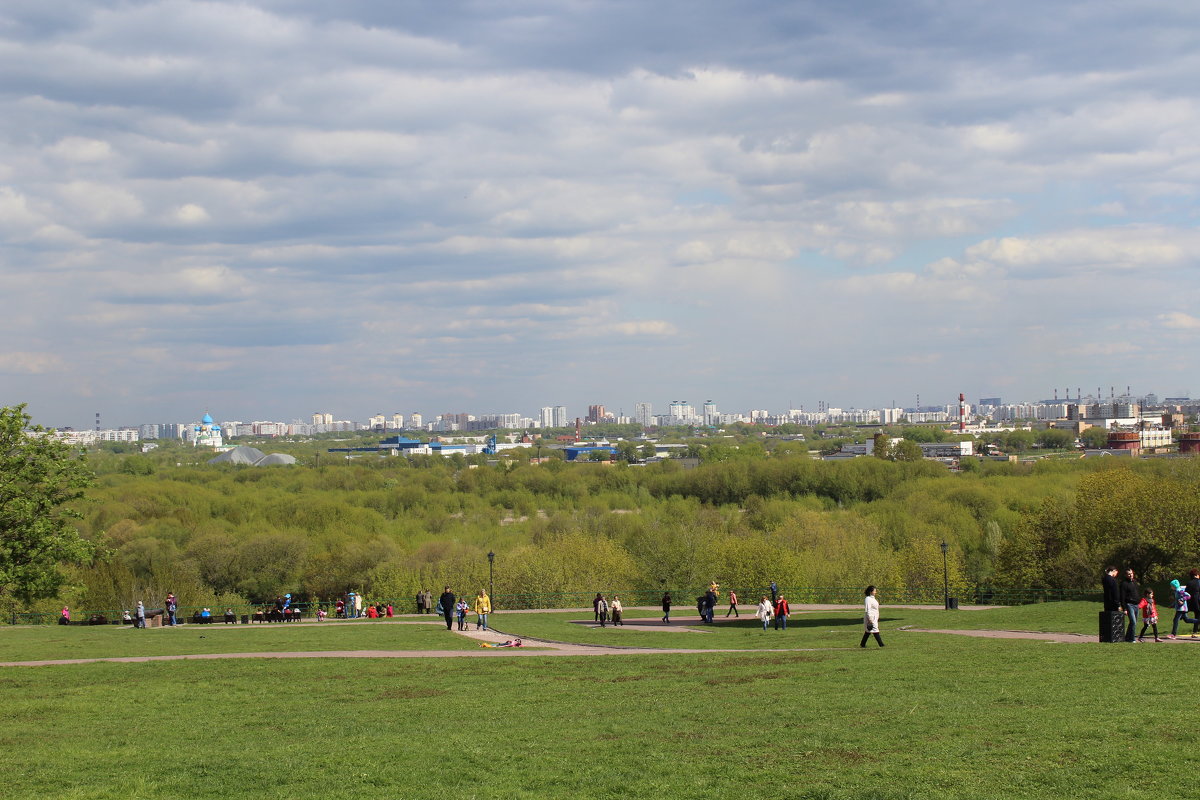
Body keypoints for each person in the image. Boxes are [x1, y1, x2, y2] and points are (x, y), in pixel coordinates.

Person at [1120, 568, 1141, 642]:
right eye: (1129, 574)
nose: (1131, 575)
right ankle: (1132, 639)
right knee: (1133, 622)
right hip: (1129, 604)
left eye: (1131, 573)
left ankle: (1127, 638)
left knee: (1133, 622)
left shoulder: (1134, 582)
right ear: (1126, 575)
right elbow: (1122, 597)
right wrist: (1124, 608)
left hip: (1136, 604)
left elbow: (1136, 593)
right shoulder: (1124, 584)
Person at [1186, 569, 1200, 636]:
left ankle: (1195, 632)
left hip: (1192, 602)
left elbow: (1186, 593)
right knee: (1197, 616)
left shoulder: (1189, 583)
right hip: (1198, 601)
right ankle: (1195, 631)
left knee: (1196, 616)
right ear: (1196, 575)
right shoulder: (1199, 582)